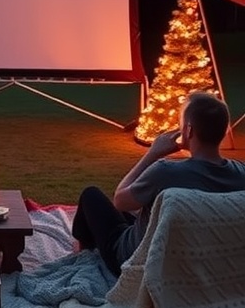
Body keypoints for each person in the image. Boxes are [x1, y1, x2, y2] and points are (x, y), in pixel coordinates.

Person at [72, 91, 245, 276]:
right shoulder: (241, 173)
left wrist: (153, 153)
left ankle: (83, 254)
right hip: (200, 256)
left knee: (91, 195)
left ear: (188, 130)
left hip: (134, 259)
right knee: (129, 212)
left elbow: (120, 199)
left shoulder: (166, 172)